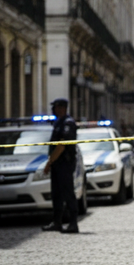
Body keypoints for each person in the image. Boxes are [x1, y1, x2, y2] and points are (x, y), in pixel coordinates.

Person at [42, 98, 79, 234]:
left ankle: (73, 224)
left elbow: (62, 145)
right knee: (56, 194)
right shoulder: (59, 122)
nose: (53, 110)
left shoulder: (68, 123)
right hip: (58, 164)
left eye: (55, 107)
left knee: (68, 193)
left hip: (64, 163)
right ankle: (57, 222)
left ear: (62, 108)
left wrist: (49, 162)